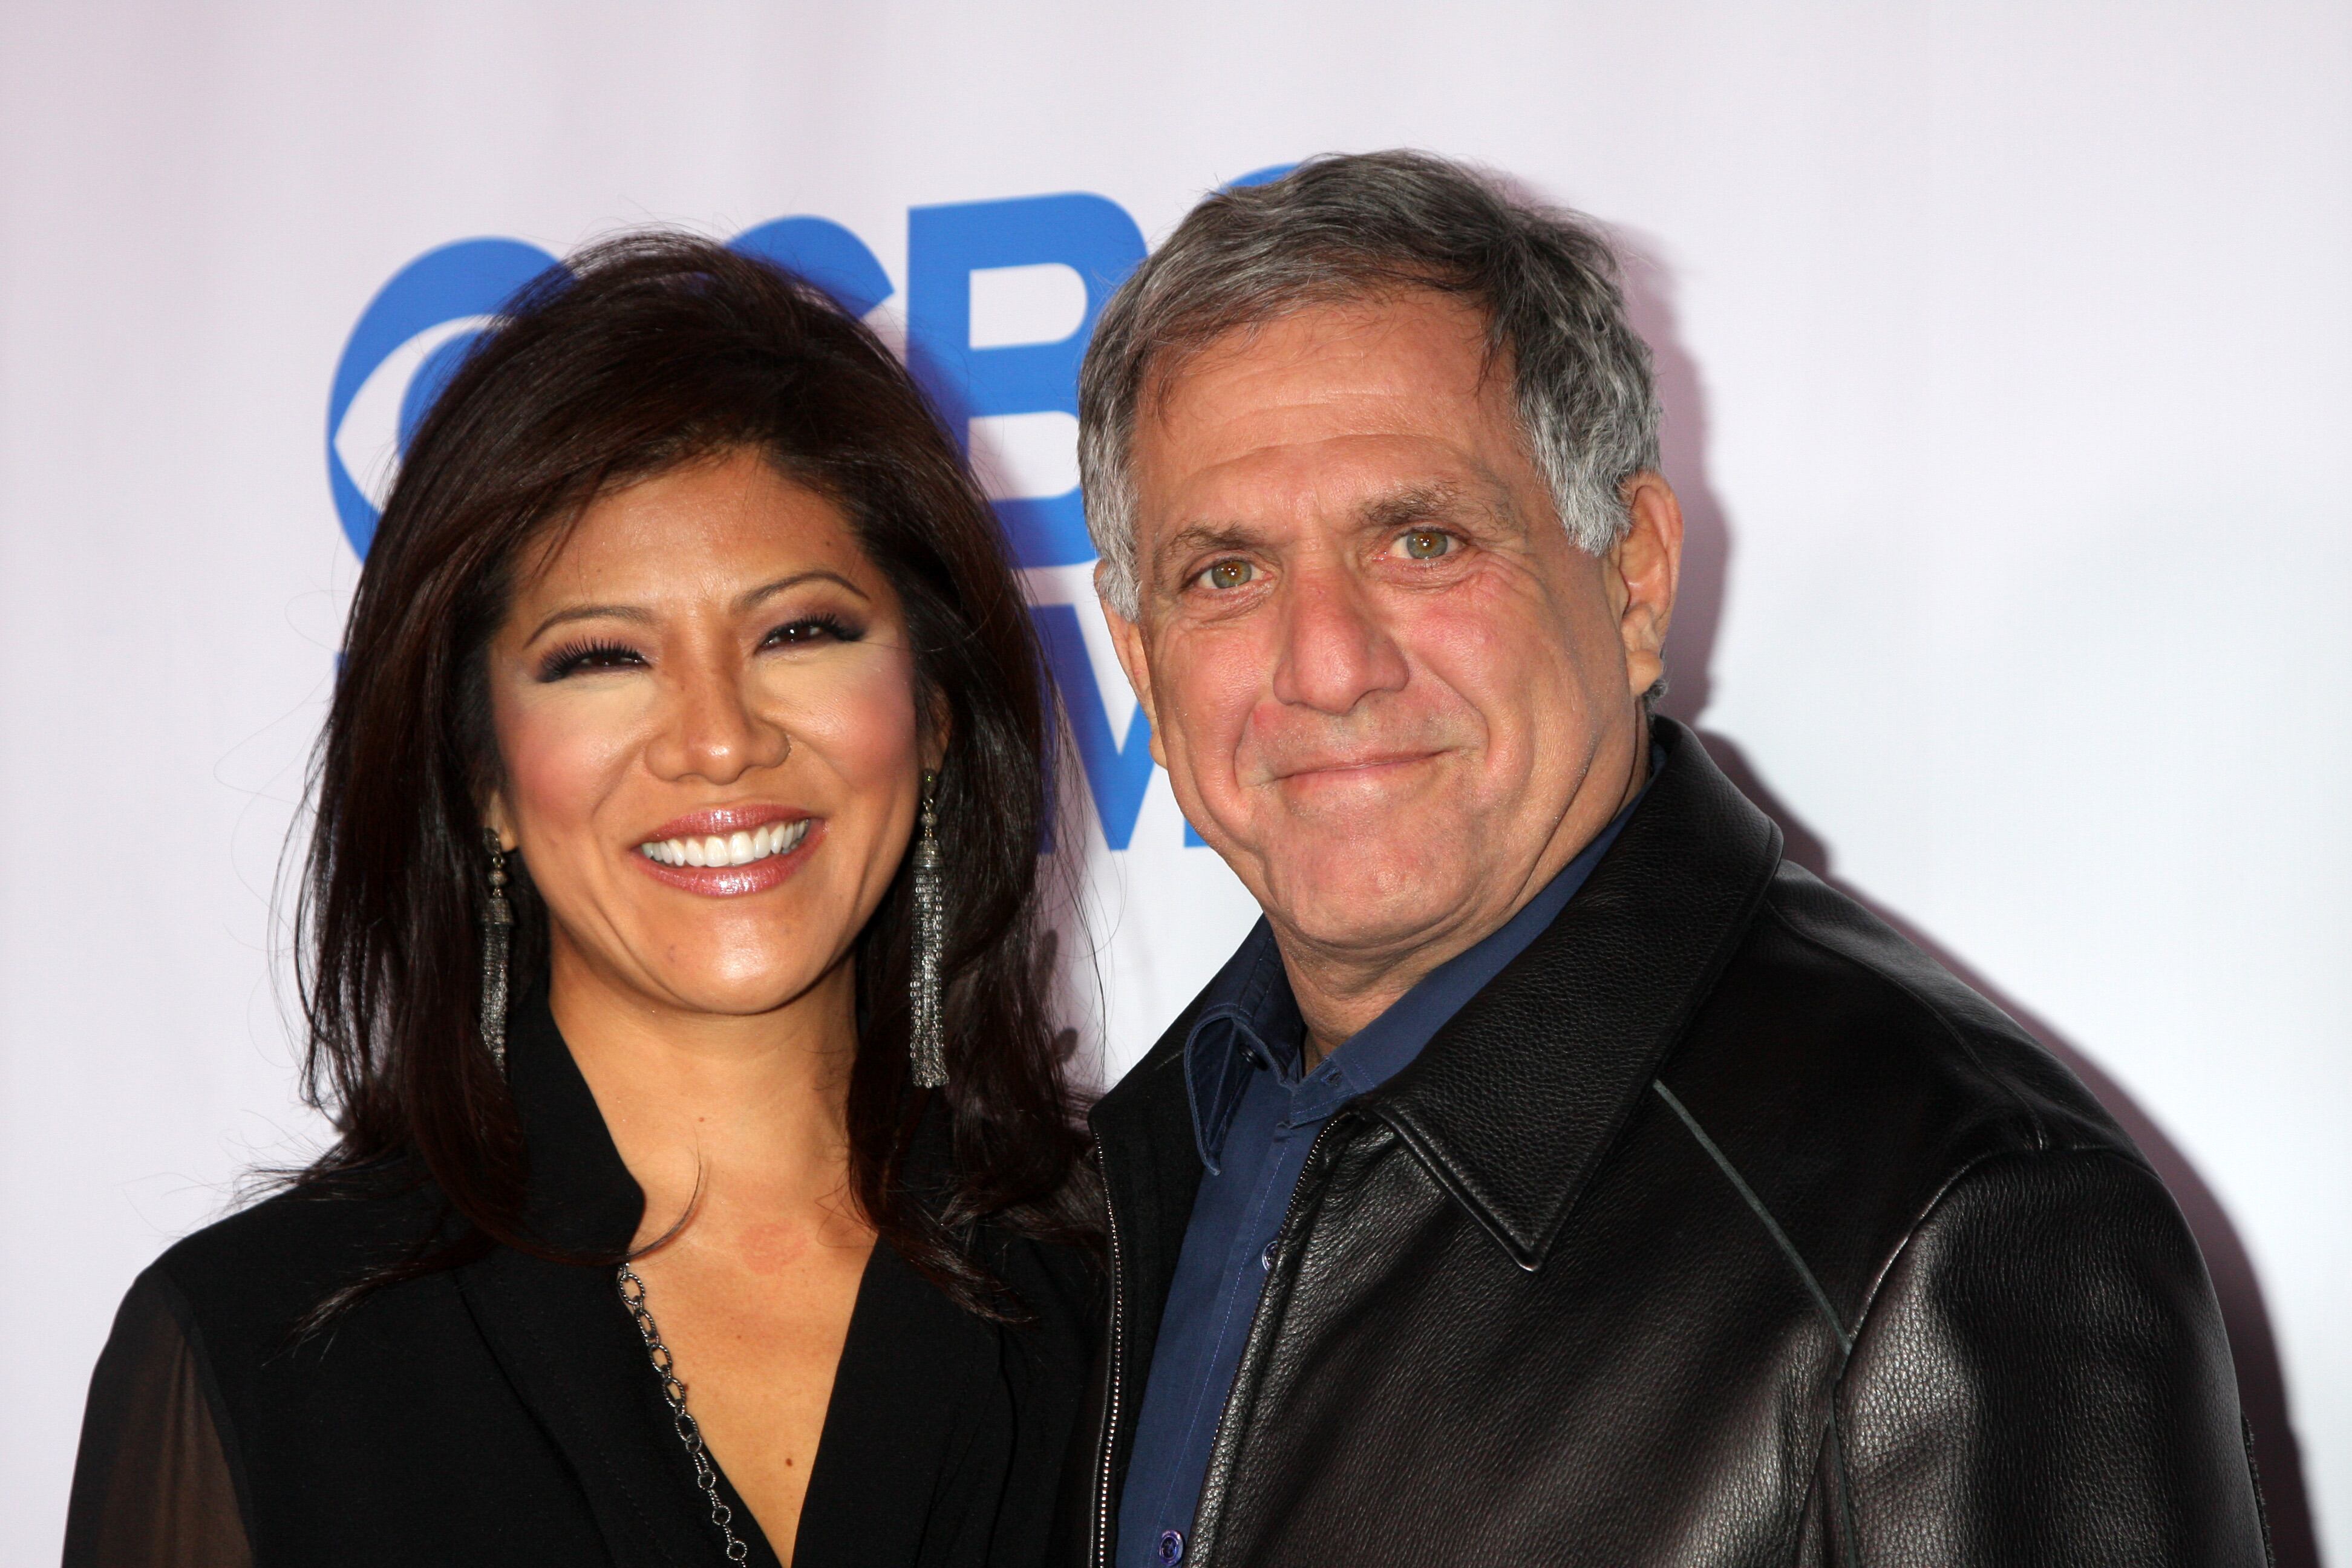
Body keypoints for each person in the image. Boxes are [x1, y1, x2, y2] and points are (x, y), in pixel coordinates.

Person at [1070, 151, 2270, 1567]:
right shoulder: (1098, 1182)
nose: (1327, 666)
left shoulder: (1960, 1220)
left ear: (1633, 577)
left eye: (1422, 542)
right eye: (1226, 574)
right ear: (1140, 660)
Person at [65, 235, 1098, 1567]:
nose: (718, 741)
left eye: (799, 633)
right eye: (602, 657)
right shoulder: (261, 1347)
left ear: (937, 711)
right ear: (483, 776)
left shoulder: (1143, 1295)